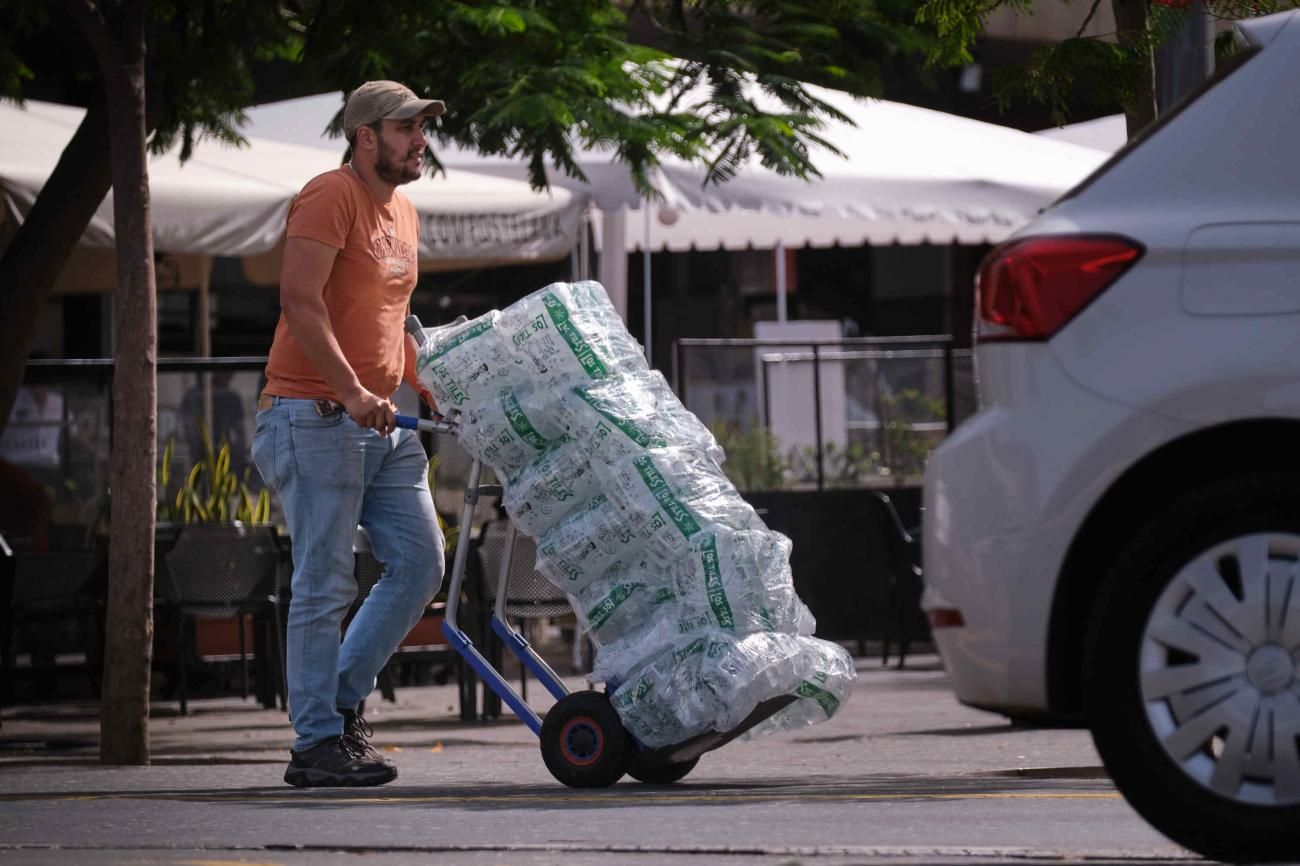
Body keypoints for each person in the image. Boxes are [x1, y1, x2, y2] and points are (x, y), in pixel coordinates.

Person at [251, 80, 445, 788]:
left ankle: (335, 702)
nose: (420, 138)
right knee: (324, 582)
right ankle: (315, 744)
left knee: (422, 563)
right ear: (367, 137)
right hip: (313, 415)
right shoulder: (330, 195)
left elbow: (392, 315)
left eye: (423, 127)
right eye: (407, 128)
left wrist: (423, 382)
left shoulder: (406, 212)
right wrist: (353, 390)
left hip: (383, 420)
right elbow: (299, 303)